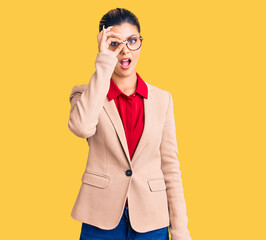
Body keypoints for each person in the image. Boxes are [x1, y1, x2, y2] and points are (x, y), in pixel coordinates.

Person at [67, 8, 191, 240]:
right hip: (100, 220)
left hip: (151, 219)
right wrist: (104, 63)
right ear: (104, 47)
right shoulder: (85, 95)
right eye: (115, 43)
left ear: (141, 43)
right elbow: (81, 127)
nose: (125, 50)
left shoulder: (162, 99)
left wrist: (181, 231)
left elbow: (171, 168)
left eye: (132, 41)